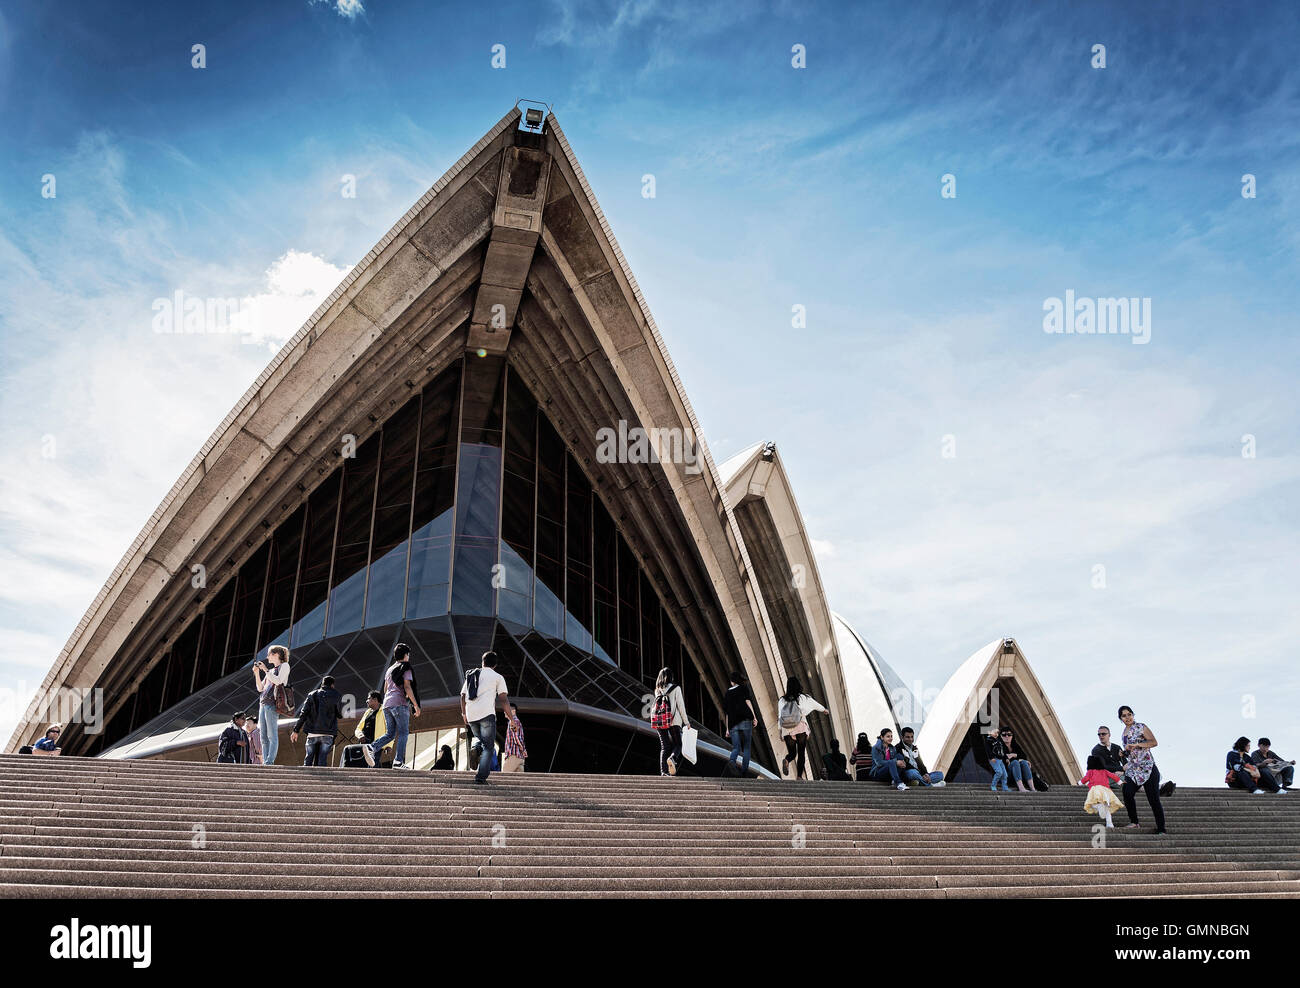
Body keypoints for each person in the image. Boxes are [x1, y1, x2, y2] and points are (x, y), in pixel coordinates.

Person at [364, 643, 422, 769]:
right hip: (399, 704)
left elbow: (385, 689)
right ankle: (398, 761)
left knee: (390, 734)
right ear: (406, 655)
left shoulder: (389, 669)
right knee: (403, 733)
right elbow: (407, 686)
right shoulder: (405, 667)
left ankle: (371, 747)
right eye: (408, 654)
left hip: (387, 704)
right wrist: (416, 705)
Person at [460, 650, 512, 784]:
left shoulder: (472, 674)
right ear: (495, 665)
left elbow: (462, 696)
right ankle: (480, 777)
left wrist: (464, 714)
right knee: (489, 747)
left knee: (483, 742)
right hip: (486, 714)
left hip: (471, 715)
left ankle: (476, 748)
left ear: (482, 662)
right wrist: (511, 718)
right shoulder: (497, 677)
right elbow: (503, 699)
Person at [1118, 705, 1168, 834]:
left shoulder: (1141, 727)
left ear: (1133, 715)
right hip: (1134, 769)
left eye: (1129, 714)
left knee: (1153, 800)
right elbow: (1131, 751)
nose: (1127, 717)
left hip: (1148, 768)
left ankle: (1161, 829)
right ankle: (1134, 822)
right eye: (1124, 715)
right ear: (1121, 718)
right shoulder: (1123, 733)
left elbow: (1153, 742)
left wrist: (1138, 744)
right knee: (1127, 792)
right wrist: (1124, 753)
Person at [777, 676, 827, 780]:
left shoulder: (782, 700)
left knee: (792, 753)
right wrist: (824, 710)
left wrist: (780, 732)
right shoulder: (803, 697)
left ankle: (787, 760)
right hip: (800, 726)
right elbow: (815, 704)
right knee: (801, 753)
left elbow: (780, 716)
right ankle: (799, 776)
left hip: (787, 728)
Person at [291, 675, 344, 767]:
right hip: (328, 733)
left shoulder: (312, 695)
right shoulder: (337, 695)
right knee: (322, 760)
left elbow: (303, 714)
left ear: (322, 684)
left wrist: (296, 730)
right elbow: (339, 714)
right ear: (332, 685)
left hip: (312, 733)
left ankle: (304, 780)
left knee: (308, 760)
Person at [252, 645, 290, 765]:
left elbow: (279, 681)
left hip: (273, 703)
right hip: (263, 703)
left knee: (272, 734)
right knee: (263, 735)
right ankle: (266, 761)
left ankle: (269, 761)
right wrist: (257, 673)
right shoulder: (272, 670)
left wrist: (266, 670)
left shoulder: (284, 666)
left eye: (269, 654)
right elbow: (260, 688)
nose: (267, 657)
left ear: (276, 655)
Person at [651, 667, 691, 777]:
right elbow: (681, 706)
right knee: (678, 744)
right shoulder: (676, 688)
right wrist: (686, 722)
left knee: (664, 747)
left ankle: (663, 772)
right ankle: (672, 758)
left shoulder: (657, 690)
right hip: (674, 721)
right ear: (670, 677)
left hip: (660, 721)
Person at [723, 670, 757, 777]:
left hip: (733, 724)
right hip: (745, 720)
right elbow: (748, 702)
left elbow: (727, 712)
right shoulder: (743, 688)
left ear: (732, 681)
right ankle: (744, 771)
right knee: (746, 747)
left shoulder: (728, 693)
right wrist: (754, 717)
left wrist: (727, 728)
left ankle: (732, 762)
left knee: (736, 748)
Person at [1079, 755, 1123, 828]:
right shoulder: (1104, 771)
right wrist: (1120, 782)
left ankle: (1099, 807)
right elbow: (1113, 776)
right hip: (1106, 790)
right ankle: (1110, 824)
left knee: (1092, 803)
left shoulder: (1091, 771)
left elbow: (1085, 779)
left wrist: (1079, 783)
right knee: (1106, 807)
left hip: (1095, 789)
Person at [1002, 727, 1036, 793]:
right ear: (1001, 736)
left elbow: (1024, 756)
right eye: (1004, 735)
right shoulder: (999, 746)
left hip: (1018, 773)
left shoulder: (1015, 745)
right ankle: (1021, 788)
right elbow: (1002, 759)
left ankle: (1032, 788)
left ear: (1012, 736)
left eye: (1009, 734)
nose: (1007, 736)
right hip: (1006, 775)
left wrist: (1014, 755)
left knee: (1023, 762)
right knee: (1015, 762)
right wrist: (1015, 759)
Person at [984, 727, 1012, 792]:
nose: (996, 734)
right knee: (999, 772)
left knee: (1005, 774)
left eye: (997, 732)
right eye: (995, 732)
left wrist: (1006, 758)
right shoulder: (988, 740)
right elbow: (988, 750)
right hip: (994, 759)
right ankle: (993, 785)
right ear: (989, 732)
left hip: (1000, 759)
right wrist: (991, 757)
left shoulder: (998, 740)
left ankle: (1005, 787)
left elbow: (1003, 751)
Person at [502, 705, 527, 773]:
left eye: (506, 710)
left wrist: (523, 750)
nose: (504, 712)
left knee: (504, 778)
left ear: (513, 711)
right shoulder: (516, 721)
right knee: (519, 781)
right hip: (519, 756)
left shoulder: (513, 721)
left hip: (513, 755)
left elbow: (516, 738)